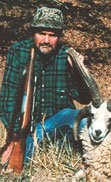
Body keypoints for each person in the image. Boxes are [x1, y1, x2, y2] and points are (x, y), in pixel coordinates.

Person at [0, 7, 90, 161]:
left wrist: (78, 70)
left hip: (61, 121)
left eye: (52, 35)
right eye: (42, 34)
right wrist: (15, 137)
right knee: (15, 161)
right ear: (33, 33)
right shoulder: (18, 52)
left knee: (86, 121)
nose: (46, 40)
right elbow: (6, 100)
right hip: (30, 130)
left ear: (59, 37)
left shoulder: (67, 55)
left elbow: (84, 99)